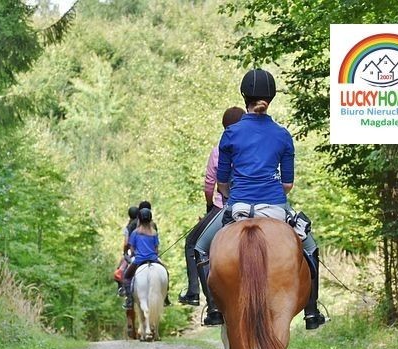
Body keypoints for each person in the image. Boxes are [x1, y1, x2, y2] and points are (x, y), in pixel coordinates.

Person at [194, 68, 326, 329]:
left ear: (244, 96)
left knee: (200, 247)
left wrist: (231, 196)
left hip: (238, 206)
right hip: (275, 206)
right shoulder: (282, 135)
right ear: (271, 97)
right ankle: (312, 312)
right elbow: (287, 184)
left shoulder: (230, 133)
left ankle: (215, 309)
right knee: (310, 249)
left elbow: (222, 183)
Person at [178, 107, 245, 326]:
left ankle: (204, 300)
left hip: (226, 206)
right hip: (264, 203)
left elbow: (210, 184)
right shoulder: (254, 146)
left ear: (225, 127)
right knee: (302, 240)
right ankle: (311, 307)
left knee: (193, 245)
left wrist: (210, 205)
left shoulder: (219, 150)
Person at [122, 208, 162, 309]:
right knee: (166, 273)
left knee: (126, 277)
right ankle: (166, 298)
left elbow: (131, 248)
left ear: (139, 219)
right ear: (150, 219)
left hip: (139, 260)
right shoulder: (154, 233)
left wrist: (134, 253)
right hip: (153, 259)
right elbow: (156, 248)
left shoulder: (135, 232)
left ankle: (129, 300)